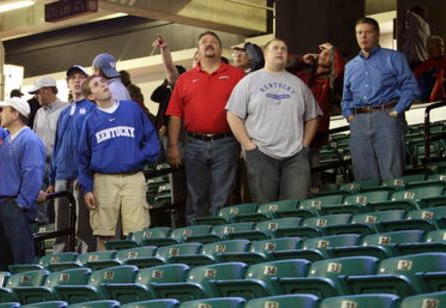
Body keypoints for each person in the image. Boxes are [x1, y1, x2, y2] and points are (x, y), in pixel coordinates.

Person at [226, 39, 322, 203]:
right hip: (260, 153)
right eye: (275, 48)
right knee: (265, 209)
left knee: (297, 207)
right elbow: (233, 115)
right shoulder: (248, 82)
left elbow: (313, 117)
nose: (280, 51)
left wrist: (304, 145)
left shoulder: (299, 85)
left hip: (295, 156)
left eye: (283, 49)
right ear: (265, 54)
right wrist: (248, 146)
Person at [165, 31, 245, 223]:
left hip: (226, 143)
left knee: (222, 198)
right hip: (193, 144)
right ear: (198, 50)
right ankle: (195, 244)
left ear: (220, 48)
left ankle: (220, 244)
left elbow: (248, 111)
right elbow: (175, 114)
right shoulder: (185, 79)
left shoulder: (237, 75)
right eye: (204, 42)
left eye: (214, 42)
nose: (209, 44)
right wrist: (173, 145)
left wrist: (244, 142)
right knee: (195, 199)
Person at [78, 75, 160, 251]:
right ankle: (105, 272)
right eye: (96, 85)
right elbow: (83, 158)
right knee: (104, 233)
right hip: (104, 179)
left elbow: (151, 139)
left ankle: (137, 271)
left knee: (137, 232)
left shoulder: (131, 109)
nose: (103, 85)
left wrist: (139, 157)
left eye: (103, 82)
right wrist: (87, 188)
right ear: (91, 96)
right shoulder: (89, 121)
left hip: (134, 177)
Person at [342, 17, 420, 181]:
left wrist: (397, 111)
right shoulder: (350, 66)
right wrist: (349, 115)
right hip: (358, 122)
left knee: (391, 174)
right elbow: (346, 97)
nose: (363, 36)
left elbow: (411, 87)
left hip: (386, 118)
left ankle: (394, 207)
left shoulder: (394, 57)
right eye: (359, 33)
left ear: (377, 35)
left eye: (368, 32)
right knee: (364, 178)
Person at [40, 65, 96, 253]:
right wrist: (52, 178)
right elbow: (57, 145)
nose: (77, 81)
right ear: (68, 84)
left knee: (83, 223)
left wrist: (87, 174)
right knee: (61, 223)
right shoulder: (63, 113)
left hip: (81, 174)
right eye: (73, 78)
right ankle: (60, 259)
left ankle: (85, 257)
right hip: (62, 174)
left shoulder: (92, 109)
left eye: (81, 77)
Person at [0, 97, 46, 269]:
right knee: (4, 259)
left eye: (5, 109)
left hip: (15, 205)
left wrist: (22, 203)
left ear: (15, 114)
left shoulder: (30, 140)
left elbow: (33, 173)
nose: (1, 114)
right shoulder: (6, 141)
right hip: (3, 205)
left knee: (21, 260)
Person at [290, 42, 345, 191]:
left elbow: (340, 72)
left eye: (328, 54)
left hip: (316, 130)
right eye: (322, 52)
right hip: (295, 127)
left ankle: (313, 193)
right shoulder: (305, 72)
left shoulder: (331, 80)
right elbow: (282, 67)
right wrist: (302, 60)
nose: (323, 55)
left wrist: (333, 50)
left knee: (312, 166)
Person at [30, 76, 67, 223]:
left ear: (46, 91)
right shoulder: (39, 113)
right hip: (40, 164)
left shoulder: (66, 109)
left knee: (60, 207)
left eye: (37, 93)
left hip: (58, 165)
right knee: (40, 206)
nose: (36, 97)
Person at [415, 36, 446, 101]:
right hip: (432, 98)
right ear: (430, 49)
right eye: (437, 47)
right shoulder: (425, 65)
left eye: (442, 46)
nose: (441, 49)